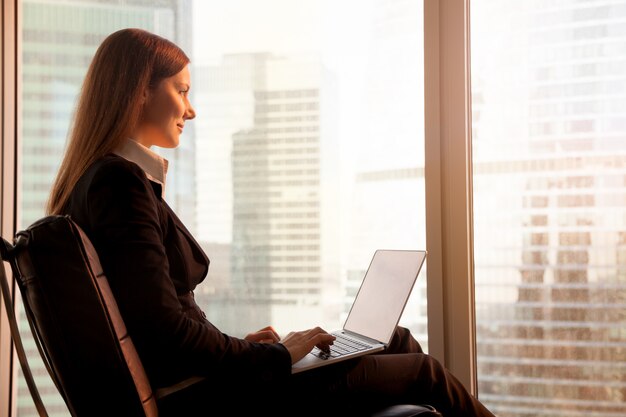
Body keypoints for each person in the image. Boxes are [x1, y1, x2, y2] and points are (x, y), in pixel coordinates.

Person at [47, 28, 495, 416]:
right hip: (209, 404)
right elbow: (164, 333)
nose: (191, 109)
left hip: (206, 389)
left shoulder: (103, 183)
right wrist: (272, 356)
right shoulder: (118, 184)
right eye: (181, 90)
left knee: (392, 338)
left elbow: (155, 321)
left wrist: (244, 347)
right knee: (424, 370)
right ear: (139, 89)